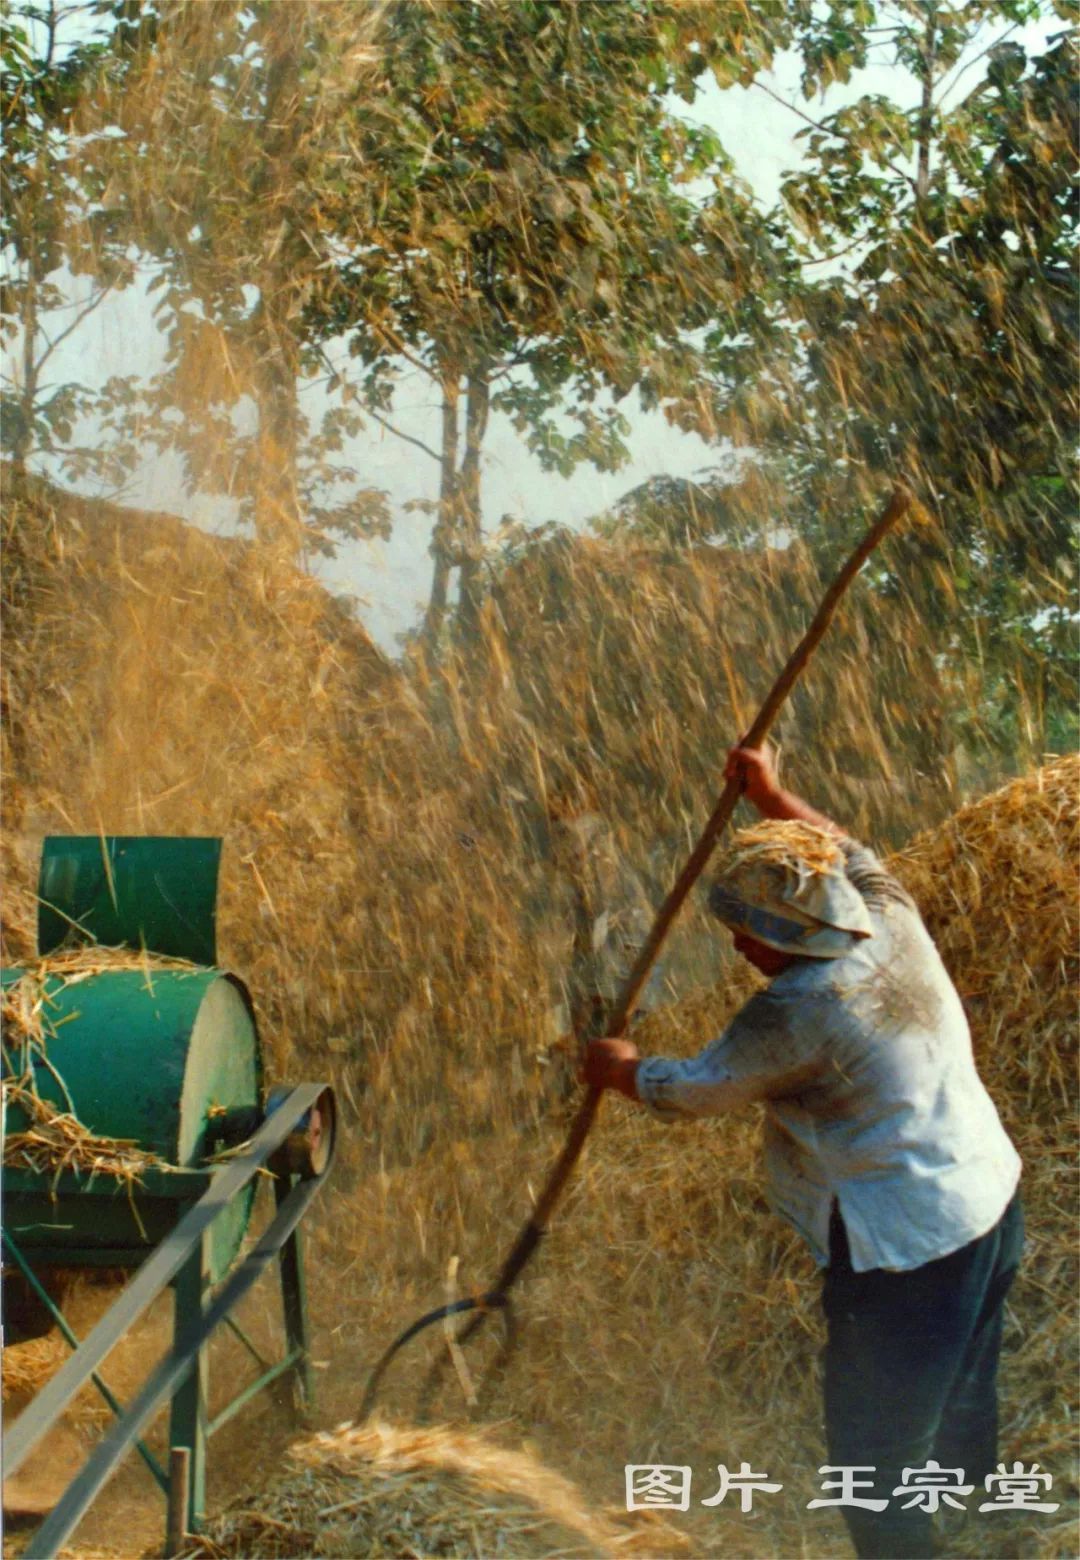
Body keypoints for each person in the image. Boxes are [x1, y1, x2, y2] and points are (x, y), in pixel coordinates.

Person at [584, 744, 1023, 1560]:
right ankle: (985, 1520)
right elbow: (849, 851)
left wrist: (620, 1071)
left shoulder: (796, 1010)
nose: (739, 947)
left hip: (910, 1254)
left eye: (750, 931)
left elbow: (697, 1090)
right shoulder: (886, 918)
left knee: (874, 1471)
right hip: (990, 1201)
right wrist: (774, 796)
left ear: (792, 928)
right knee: (965, 1391)